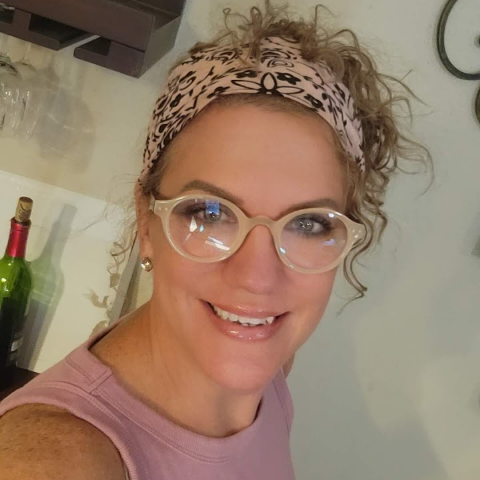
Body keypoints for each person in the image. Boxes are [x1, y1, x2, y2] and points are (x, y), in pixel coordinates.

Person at [0, 2, 429, 479]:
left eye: (308, 223)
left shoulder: (270, 363)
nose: (257, 279)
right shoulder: (56, 456)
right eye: (210, 213)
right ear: (147, 221)